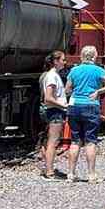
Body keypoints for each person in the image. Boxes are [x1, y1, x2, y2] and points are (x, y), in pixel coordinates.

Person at [64, 46, 105, 183]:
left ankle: (71, 174)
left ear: (82, 56)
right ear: (94, 56)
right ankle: (91, 175)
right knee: (90, 141)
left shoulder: (74, 70)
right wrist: (98, 92)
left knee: (75, 141)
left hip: (74, 106)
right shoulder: (98, 70)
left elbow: (67, 90)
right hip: (91, 106)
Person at [39, 50, 68, 179]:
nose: (65, 62)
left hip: (54, 110)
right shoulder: (52, 76)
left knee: (48, 141)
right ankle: (50, 172)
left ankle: (47, 168)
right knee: (53, 142)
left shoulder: (53, 75)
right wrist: (63, 106)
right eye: (63, 60)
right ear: (56, 61)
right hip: (55, 111)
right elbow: (48, 98)